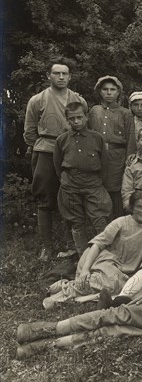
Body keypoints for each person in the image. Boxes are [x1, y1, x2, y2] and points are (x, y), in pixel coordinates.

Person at [42, 191, 142, 309]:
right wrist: (85, 269)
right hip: (108, 262)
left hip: (129, 270)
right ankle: (59, 294)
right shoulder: (121, 223)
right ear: (132, 207)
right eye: (139, 207)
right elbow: (97, 244)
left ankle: (92, 296)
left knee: (133, 288)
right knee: (108, 282)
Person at [24, 58, 88, 256]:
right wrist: (41, 147)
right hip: (46, 151)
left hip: (71, 152)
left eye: (65, 74)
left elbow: (85, 126)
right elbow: (29, 131)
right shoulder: (37, 100)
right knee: (45, 199)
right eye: (56, 73)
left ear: (70, 76)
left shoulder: (78, 100)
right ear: (48, 76)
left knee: (70, 198)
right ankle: (47, 247)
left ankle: (72, 247)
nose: (61, 77)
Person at [54, 102, 112, 255]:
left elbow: (105, 163)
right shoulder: (62, 140)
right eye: (72, 119)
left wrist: (98, 181)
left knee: (100, 219)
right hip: (70, 185)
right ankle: (83, 258)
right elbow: (57, 164)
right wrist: (66, 181)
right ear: (67, 120)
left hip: (93, 184)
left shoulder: (97, 138)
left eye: (80, 117)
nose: (76, 121)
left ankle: (105, 255)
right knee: (76, 222)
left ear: (86, 117)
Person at [88, 75, 133, 218]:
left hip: (117, 156)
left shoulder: (125, 113)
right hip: (96, 155)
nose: (109, 93)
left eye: (113, 89)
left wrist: (129, 159)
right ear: (99, 91)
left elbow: (131, 138)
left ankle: (117, 223)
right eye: (105, 89)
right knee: (98, 188)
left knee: (115, 190)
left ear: (118, 92)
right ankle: (101, 224)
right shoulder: (94, 111)